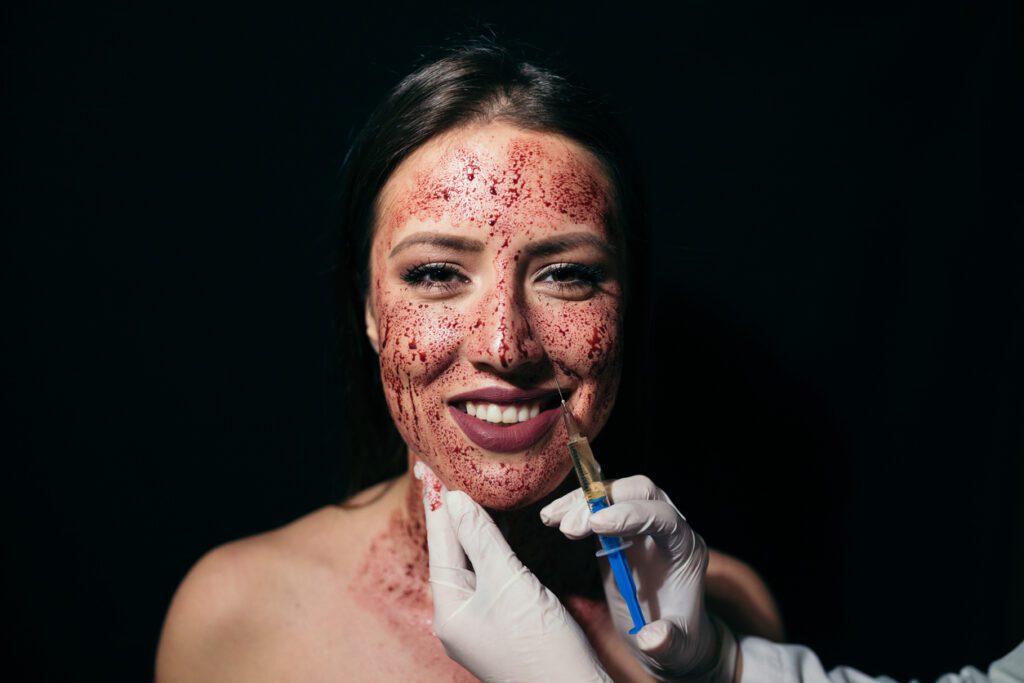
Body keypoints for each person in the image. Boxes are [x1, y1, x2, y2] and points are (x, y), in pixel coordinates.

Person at [154, 40, 787, 682]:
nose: (504, 346)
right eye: (435, 273)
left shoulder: (712, 617)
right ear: (369, 308)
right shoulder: (239, 618)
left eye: (566, 275)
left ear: (624, 311)